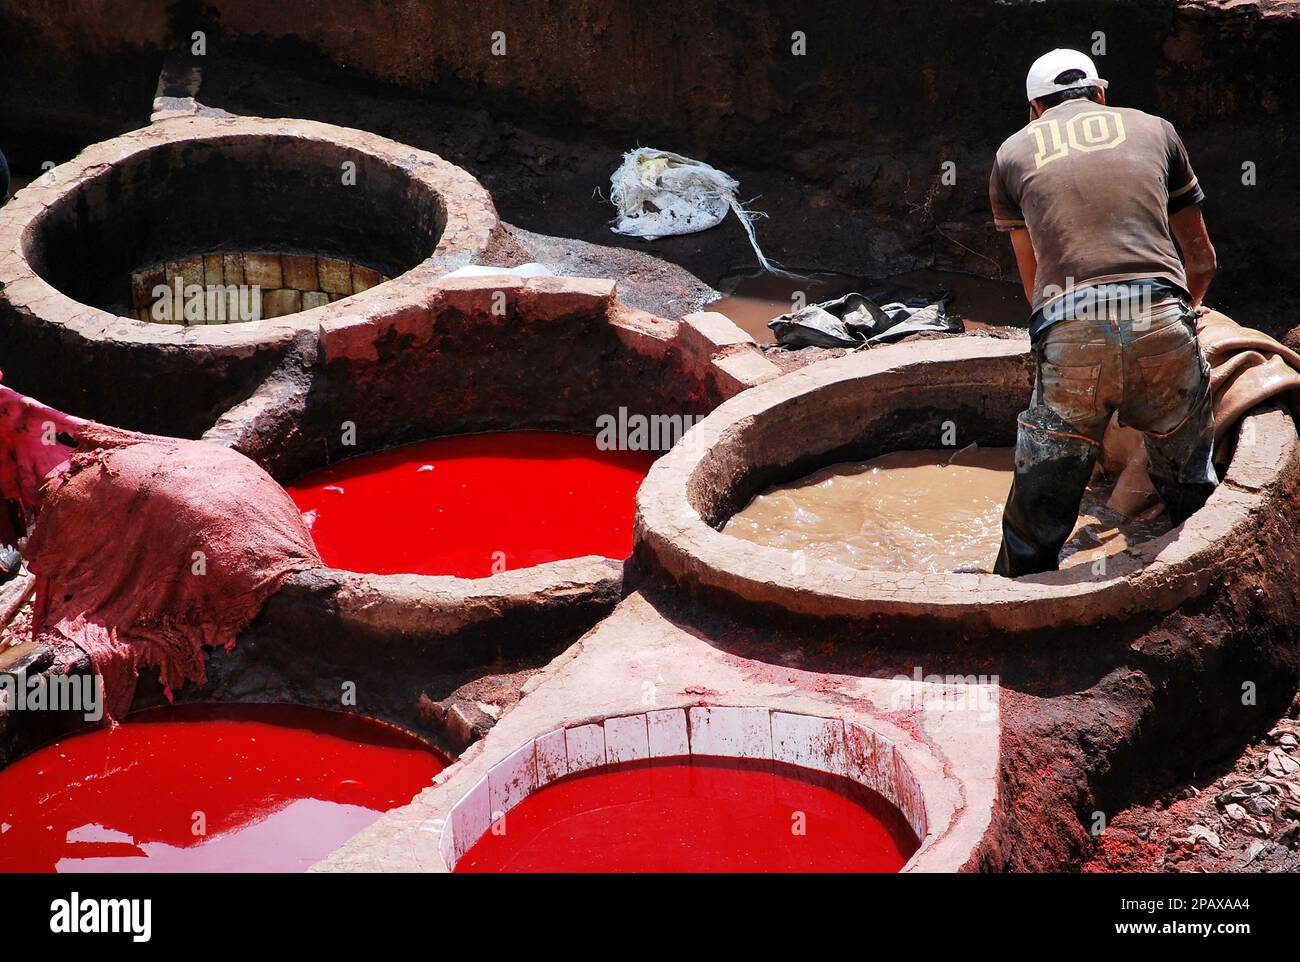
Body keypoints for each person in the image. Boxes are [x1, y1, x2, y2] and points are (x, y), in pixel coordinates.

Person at [989, 48, 1219, 577]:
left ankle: (1015, 601)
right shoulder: (1156, 129)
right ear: (1100, 96)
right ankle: (1196, 591)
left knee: (1039, 503)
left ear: (1035, 111)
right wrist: (1186, 316)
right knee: (1191, 491)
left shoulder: (1010, 154)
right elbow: (1202, 261)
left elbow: (1036, 289)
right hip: (1161, 311)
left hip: (1069, 324)